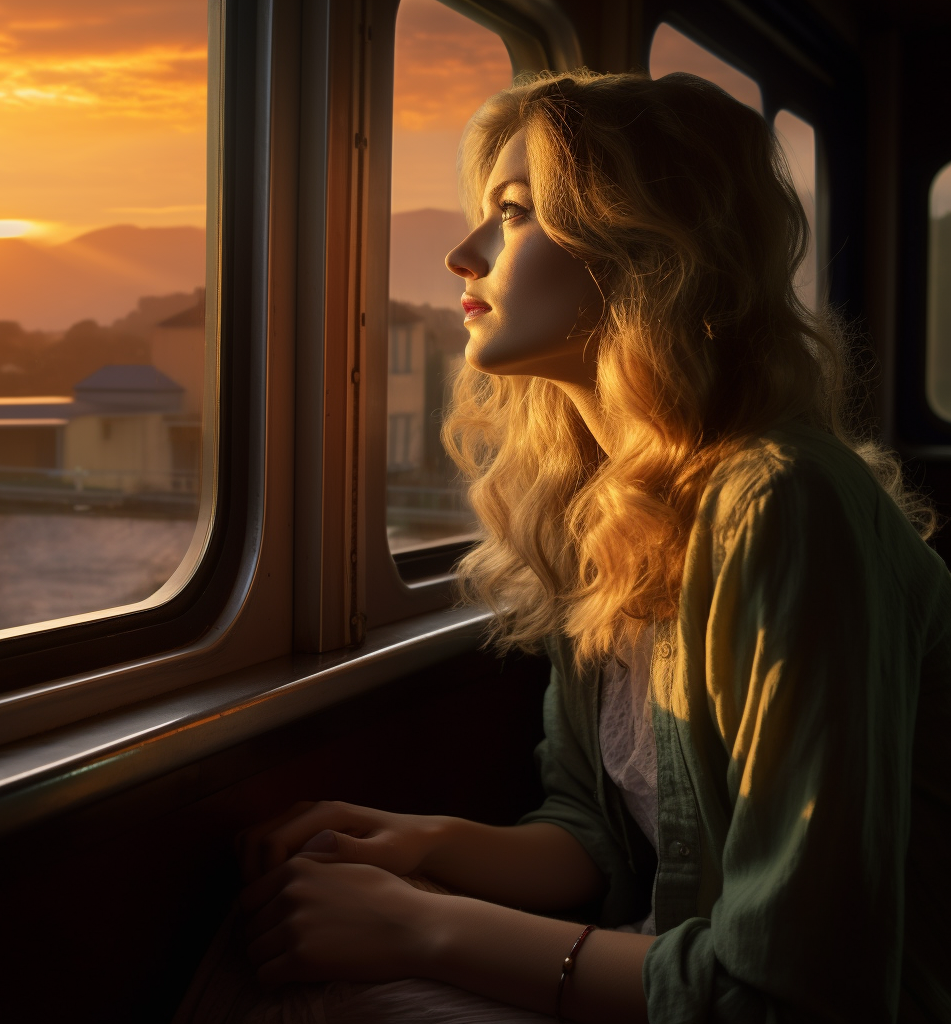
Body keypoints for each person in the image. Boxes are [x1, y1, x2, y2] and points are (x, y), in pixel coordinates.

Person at [201, 71, 951, 1023]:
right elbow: (601, 833)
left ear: (643, 248)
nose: (463, 256)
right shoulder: (602, 511)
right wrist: (423, 847)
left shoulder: (782, 506)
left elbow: (792, 992)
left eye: (513, 214)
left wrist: (420, 927)